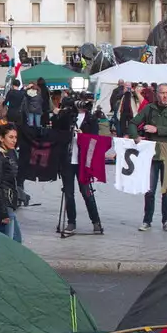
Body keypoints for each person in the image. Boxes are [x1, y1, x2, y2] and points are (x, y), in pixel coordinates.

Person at [134, 82, 167, 231]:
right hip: (152, 155)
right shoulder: (150, 108)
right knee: (149, 190)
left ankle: (166, 220)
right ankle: (147, 220)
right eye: (162, 93)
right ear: (157, 94)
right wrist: (135, 136)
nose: (165, 96)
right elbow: (133, 122)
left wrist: (157, 129)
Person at [53, 95, 103, 237]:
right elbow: (56, 130)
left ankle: (96, 221)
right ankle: (71, 222)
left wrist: (83, 136)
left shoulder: (91, 119)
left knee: (86, 192)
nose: (83, 105)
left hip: (83, 162)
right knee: (69, 193)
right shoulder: (68, 116)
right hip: (68, 160)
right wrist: (56, 115)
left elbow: (95, 140)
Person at [0, 122, 23, 242]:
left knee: (15, 241)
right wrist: (3, 213)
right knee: (9, 244)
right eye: (10, 137)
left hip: (6, 205)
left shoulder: (5, 155)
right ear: (1, 138)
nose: (14, 141)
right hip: (2, 206)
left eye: (15, 137)